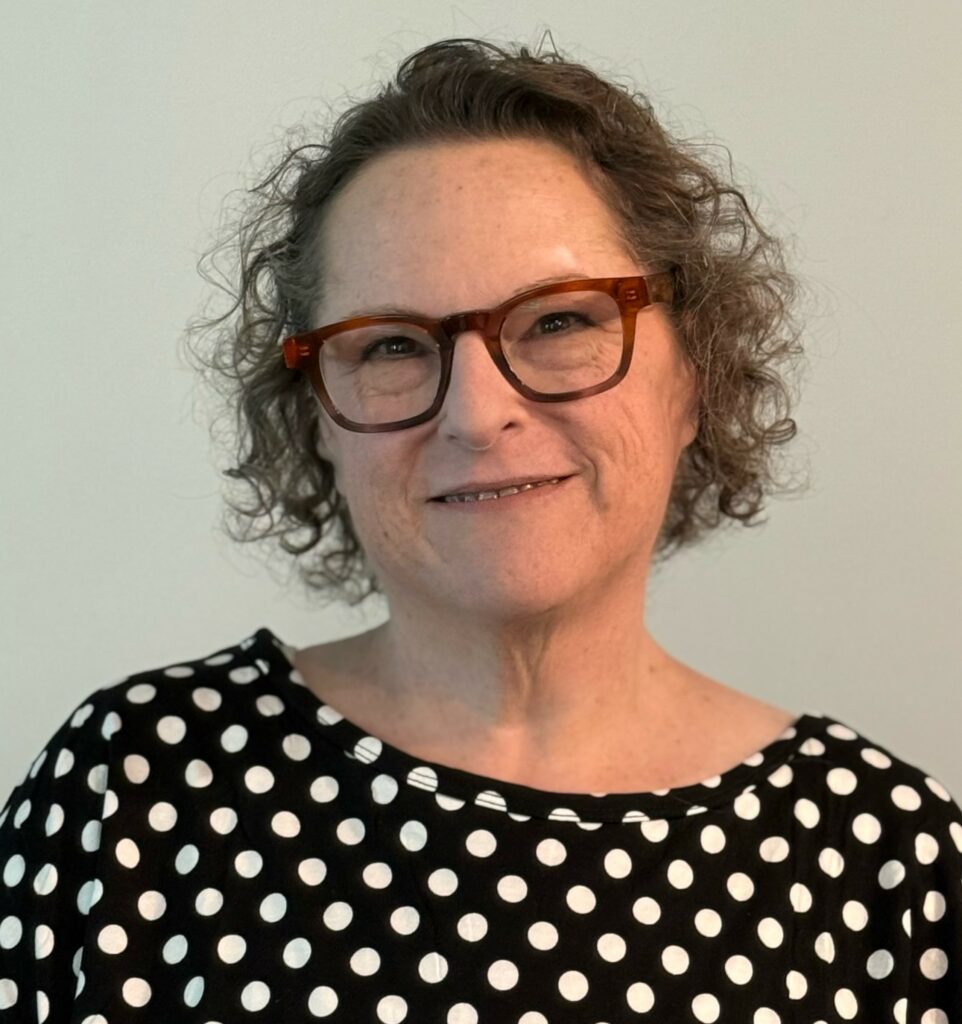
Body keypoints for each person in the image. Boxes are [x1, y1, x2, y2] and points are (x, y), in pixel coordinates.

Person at [2, 35, 959, 1023]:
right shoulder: (130, 789)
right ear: (317, 419)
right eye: (391, 346)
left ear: (695, 375)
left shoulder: (891, 860)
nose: (474, 412)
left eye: (558, 322)